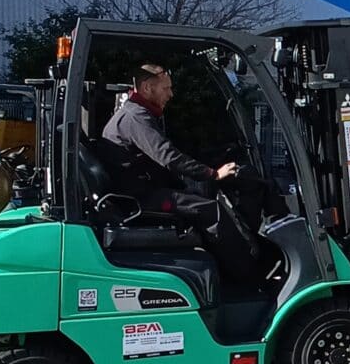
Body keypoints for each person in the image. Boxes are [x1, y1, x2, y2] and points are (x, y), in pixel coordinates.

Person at [100, 63, 258, 282]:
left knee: (201, 192)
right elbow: (168, 157)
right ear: (147, 88)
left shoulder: (136, 114)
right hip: (140, 198)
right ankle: (246, 278)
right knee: (210, 210)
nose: (171, 94)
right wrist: (213, 174)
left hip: (141, 190)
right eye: (166, 89)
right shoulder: (136, 118)